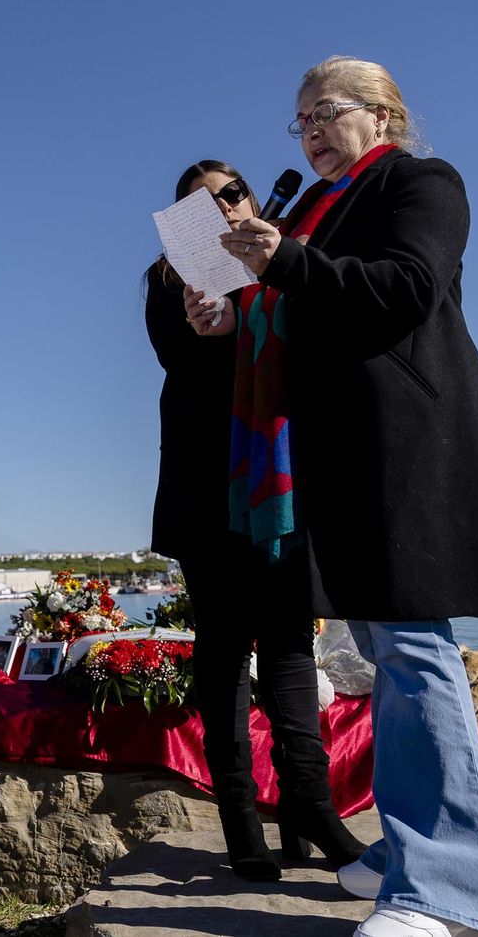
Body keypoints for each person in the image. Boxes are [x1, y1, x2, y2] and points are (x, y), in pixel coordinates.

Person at [191, 56, 478, 937]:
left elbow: (405, 290)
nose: (308, 134)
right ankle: (408, 851)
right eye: (297, 122)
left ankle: (446, 892)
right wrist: (231, 315)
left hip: (409, 447)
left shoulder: (421, 182)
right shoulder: (311, 209)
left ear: (384, 115)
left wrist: (286, 263)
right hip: (339, 455)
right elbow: (295, 310)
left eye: (323, 113)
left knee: (415, 650)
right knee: (386, 648)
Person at [146, 163, 363, 883]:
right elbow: (179, 362)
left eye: (232, 192)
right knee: (224, 646)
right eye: (202, 202)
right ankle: (240, 817)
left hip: (281, 480)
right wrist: (212, 330)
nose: (223, 205)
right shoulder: (167, 280)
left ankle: (311, 805)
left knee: (291, 642)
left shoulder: (282, 250)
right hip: (209, 484)